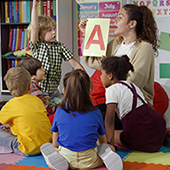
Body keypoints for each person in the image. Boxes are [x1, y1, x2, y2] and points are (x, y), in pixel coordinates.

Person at [40, 69, 123, 170]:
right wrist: (105, 146)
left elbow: (55, 132)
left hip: (66, 159)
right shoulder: (96, 112)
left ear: (64, 91)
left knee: (54, 149)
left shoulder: (60, 111)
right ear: (89, 91)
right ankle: (104, 159)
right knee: (109, 148)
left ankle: (55, 159)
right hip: (90, 161)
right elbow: (102, 139)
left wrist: (54, 146)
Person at [79, 4, 159, 107]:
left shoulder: (144, 47)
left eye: (120, 17)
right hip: (116, 103)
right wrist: (88, 34)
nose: (114, 20)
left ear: (132, 24)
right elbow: (92, 61)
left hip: (136, 106)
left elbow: (134, 82)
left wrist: (109, 68)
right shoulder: (115, 44)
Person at [100, 55, 167, 152]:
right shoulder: (132, 85)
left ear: (110, 75)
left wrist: (110, 146)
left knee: (104, 134)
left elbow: (109, 120)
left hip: (140, 135)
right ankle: (164, 134)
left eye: (101, 73)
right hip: (159, 126)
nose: (100, 77)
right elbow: (149, 108)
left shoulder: (112, 89)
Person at [28, 0, 86, 100]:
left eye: (54, 29)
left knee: (57, 111)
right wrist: (35, 5)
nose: (54, 32)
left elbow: (75, 64)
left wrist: (86, 79)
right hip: (39, 90)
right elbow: (34, 27)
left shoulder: (60, 46)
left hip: (55, 91)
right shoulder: (37, 45)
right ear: (40, 33)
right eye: (49, 30)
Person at [0, 67, 52, 156]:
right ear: (30, 86)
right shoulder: (37, 100)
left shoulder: (10, 105)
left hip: (29, 149)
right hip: (47, 144)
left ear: (9, 89)